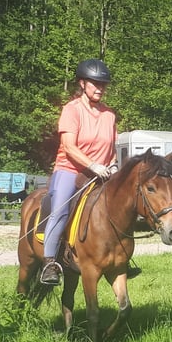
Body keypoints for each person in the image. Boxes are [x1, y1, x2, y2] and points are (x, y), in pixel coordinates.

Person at [40, 58, 118, 285]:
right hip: (70, 170)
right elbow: (69, 147)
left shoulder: (109, 115)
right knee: (61, 210)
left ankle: (120, 259)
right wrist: (92, 164)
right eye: (95, 84)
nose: (100, 88)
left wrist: (112, 164)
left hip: (101, 173)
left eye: (103, 85)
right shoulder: (71, 110)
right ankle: (49, 263)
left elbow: (111, 149)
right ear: (82, 84)